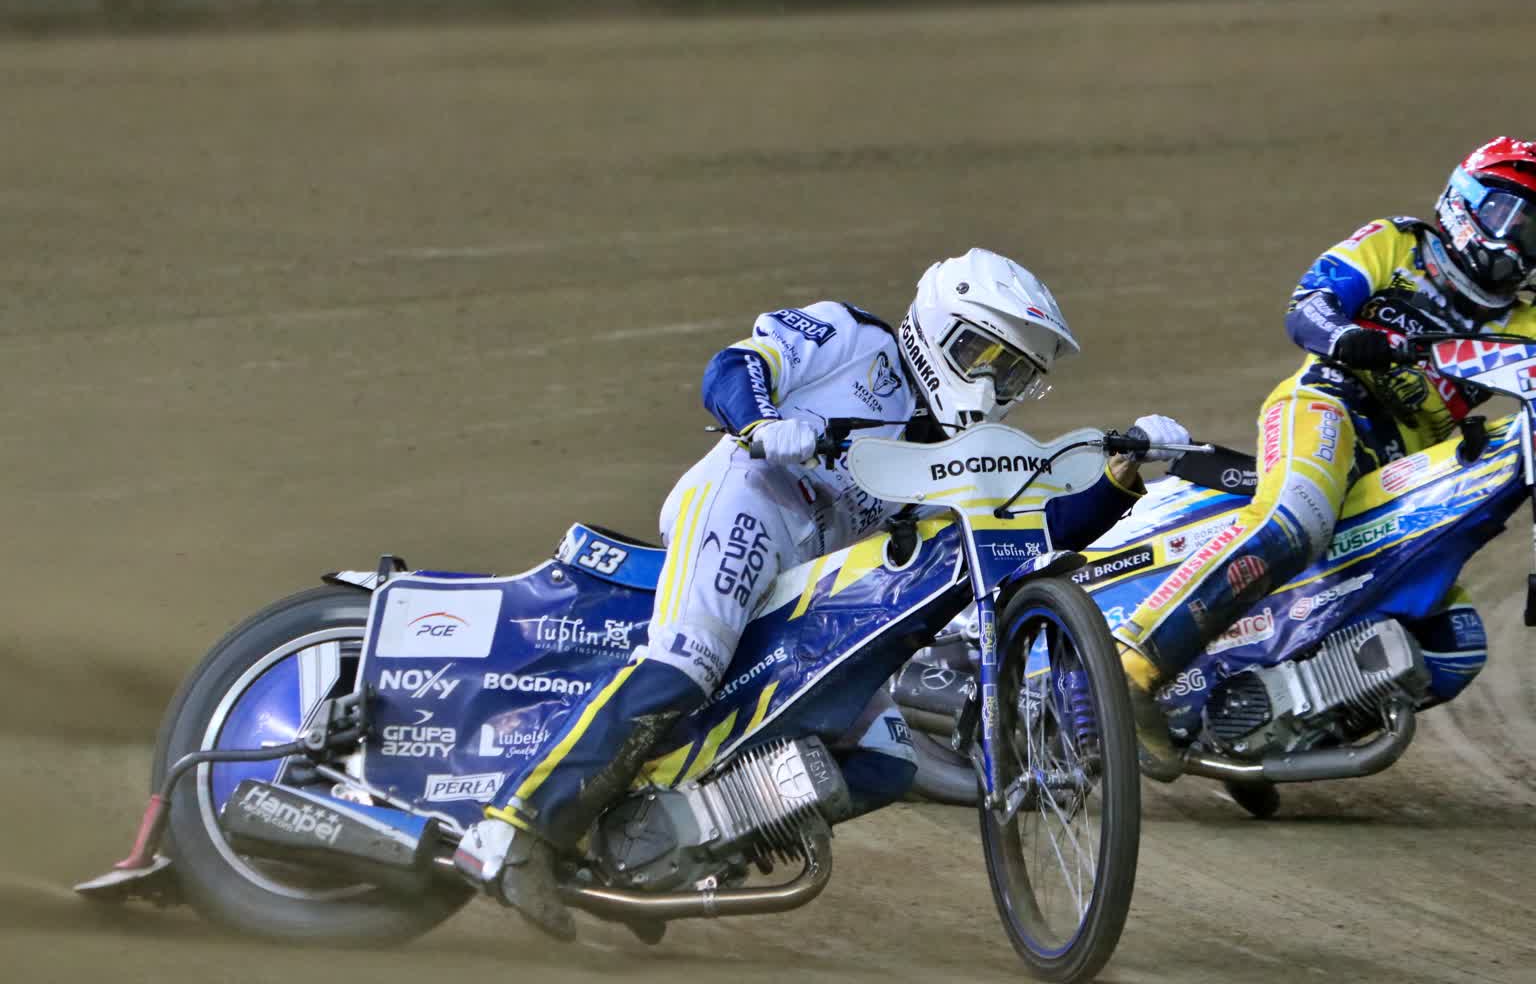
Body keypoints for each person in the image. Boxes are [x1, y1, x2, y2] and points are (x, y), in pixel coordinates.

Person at [453, 247, 1192, 938]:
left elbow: (1027, 532)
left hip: (817, 578)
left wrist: (1120, 478)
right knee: (685, 664)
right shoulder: (853, 337)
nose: (992, 386)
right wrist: (762, 422)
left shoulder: (959, 451)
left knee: (885, 760)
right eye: (983, 356)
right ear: (938, 327)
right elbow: (736, 364)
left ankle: (666, 849)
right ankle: (511, 831)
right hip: (748, 504)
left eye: (1014, 376)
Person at [1115, 136, 1536, 781]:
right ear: (1465, 203)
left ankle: (1256, 723)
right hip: (1328, 406)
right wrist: (1347, 337)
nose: (1521, 242)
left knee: (1455, 646)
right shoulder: (1397, 243)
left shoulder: (1525, 322)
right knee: (1296, 522)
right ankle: (1134, 664)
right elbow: (1308, 306)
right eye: (1514, 217)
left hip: (1410, 468)